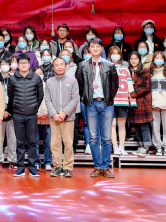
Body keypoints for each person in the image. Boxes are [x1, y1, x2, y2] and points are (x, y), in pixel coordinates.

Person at [76, 38, 119, 178]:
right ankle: (97, 166)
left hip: (106, 104)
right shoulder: (82, 66)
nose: (95, 49)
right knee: (93, 138)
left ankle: (106, 167)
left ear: (101, 49)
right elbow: (79, 85)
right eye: (92, 46)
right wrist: (85, 98)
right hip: (91, 104)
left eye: (97, 46)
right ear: (89, 49)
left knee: (107, 138)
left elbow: (115, 85)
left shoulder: (109, 65)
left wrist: (109, 98)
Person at [8, 54, 44, 177]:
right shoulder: (12, 79)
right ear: (17, 65)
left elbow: (40, 96)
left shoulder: (36, 78)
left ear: (29, 64)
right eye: (21, 63)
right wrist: (14, 110)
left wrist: (34, 107)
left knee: (32, 142)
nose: (23, 65)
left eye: (26, 62)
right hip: (18, 115)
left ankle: (32, 167)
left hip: (32, 115)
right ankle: (20, 167)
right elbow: (11, 96)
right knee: (20, 142)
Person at [45, 56, 79, 177]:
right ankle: (57, 166)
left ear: (66, 66)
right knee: (55, 143)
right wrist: (54, 114)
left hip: (68, 118)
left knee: (68, 143)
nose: (59, 67)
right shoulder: (49, 82)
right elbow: (47, 100)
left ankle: (68, 167)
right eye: (57, 65)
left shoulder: (72, 80)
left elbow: (75, 99)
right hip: (54, 118)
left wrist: (64, 113)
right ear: (53, 68)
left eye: (61, 64)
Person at [109, 47, 135, 156]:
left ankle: (122, 147)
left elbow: (129, 84)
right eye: (113, 53)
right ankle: (115, 147)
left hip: (123, 100)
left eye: (117, 53)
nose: (115, 55)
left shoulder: (125, 68)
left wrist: (132, 99)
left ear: (120, 55)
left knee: (122, 125)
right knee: (112, 124)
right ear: (110, 55)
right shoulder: (107, 67)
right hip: (111, 101)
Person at [127, 51, 152, 156]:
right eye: (131, 59)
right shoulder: (128, 71)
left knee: (144, 126)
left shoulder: (144, 70)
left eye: (135, 59)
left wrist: (134, 94)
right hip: (132, 102)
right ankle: (141, 146)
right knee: (136, 126)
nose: (133, 61)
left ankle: (146, 148)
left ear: (139, 60)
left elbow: (147, 87)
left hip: (142, 101)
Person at [0, 59, 16, 171]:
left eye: (6, 64)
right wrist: (1, 112)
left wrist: (9, 112)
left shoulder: (14, 79)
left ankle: (12, 160)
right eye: (2, 64)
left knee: (12, 139)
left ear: (10, 66)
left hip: (11, 113)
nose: (4, 66)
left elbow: (16, 97)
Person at [34, 66, 52, 171]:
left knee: (48, 142)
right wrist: (36, 113)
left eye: (40, 74)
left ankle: (48, 162)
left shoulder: (49, 86)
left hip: (47, 117)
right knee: (34, 142)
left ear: (44, 75)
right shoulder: (31, 86)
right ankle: (36, 162)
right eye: (36, 74)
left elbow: (52, 101)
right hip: (34, 117)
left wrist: (47, 113)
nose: (39, 76)